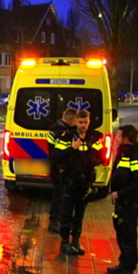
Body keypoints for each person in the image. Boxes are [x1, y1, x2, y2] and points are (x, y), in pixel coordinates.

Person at [53, 110, 104, 256]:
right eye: (80, 122)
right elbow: (56, 156)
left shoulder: (93, 138)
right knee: (66, 213)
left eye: (86, 122)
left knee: (79, 214)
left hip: (86, 181)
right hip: (70, 180)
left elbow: (102, 156)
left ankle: (76, 241)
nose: (83, 125)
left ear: (89, 122)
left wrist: (91, 162)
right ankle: (64, 243)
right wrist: (72, 148)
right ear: (76, 121)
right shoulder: (67, 136)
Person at [108, 125, 138, 274]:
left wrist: (120, 194)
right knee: (121, 235)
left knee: (128, 238)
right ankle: (122, 266)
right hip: (122, 204)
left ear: (126, 139)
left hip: (130, 205)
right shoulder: (124, 155)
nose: (117, 139)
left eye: (119, 137)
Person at [47, 108, 78, 233]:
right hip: (59, 168)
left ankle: (59, 219)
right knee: (59, 195)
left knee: (60, 194)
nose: (77, 123)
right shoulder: (60, 132)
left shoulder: (57, 129)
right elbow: (56, 154)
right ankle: (54, 221)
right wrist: (72, 149)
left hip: (59, 167)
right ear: (70, 119)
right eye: (76, 120)